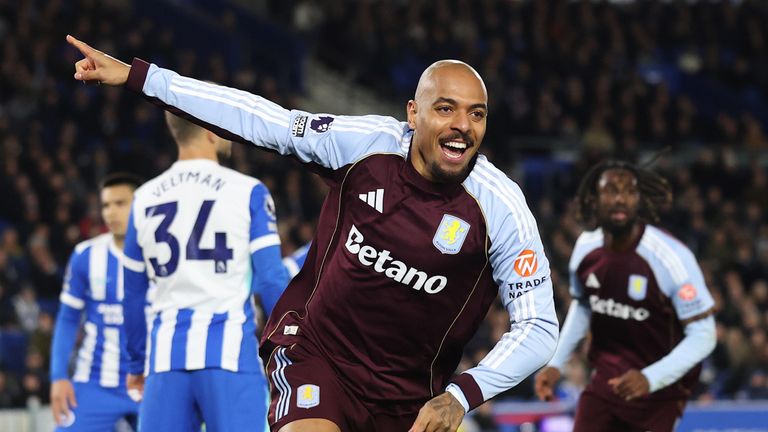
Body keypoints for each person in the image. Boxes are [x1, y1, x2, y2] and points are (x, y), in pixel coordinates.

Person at [67, 35, 559, 432]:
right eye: (446, 109)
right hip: (318, 355)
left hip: (414, 397)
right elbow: (265, 122)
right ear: (414, 114)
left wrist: (460, 395)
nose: (462, 126)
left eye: (476, 114)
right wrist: (143, 77)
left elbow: (538, 327)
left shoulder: (502, 207)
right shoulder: (366, 146)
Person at [119, 111, 290, 431]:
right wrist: (296, 347)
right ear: (211, 130)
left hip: (165, 362)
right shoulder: (248, 191)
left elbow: (131, 293)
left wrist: (135, 361)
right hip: (229, 358)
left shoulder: (143, 199)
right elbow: (271, 279)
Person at [534, 160, 717, 431]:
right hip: (606, 382)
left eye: (629, 191)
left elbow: (704, 335)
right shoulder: (586, 249)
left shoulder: (671, 257)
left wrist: (649, 378)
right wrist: (556, 363)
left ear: (639, 201)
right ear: (593, 200)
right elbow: (584, 307)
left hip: (659, 393)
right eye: (610, 191)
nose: (620, 198)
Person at [49, 173, 144, 431]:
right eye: (106, 205)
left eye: (121, 203)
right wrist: (58, 376)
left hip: (151, 382)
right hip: (93, 382)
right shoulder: (85, 255)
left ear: (141, 205)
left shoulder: (162, 256)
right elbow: (68, 319)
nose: (111, 212)